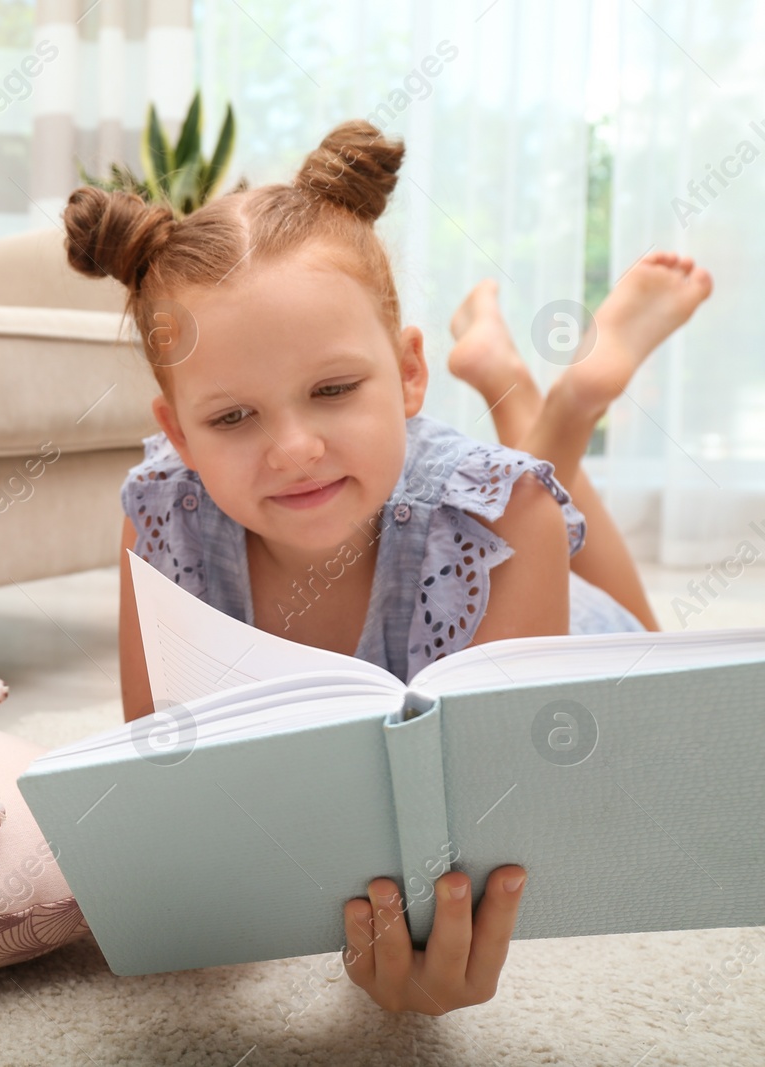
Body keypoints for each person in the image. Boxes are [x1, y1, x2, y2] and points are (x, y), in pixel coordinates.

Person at [61, 119, 713, 1015]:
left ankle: (571, 400)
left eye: (333, 389)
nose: (293, 449)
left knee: (635, 624)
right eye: (232, 417)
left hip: (554, 599)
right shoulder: (159, 512)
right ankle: (519, 385)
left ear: (408, 375)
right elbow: (167, 766)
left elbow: (503, 817)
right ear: (177, 434)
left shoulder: (497, 514)